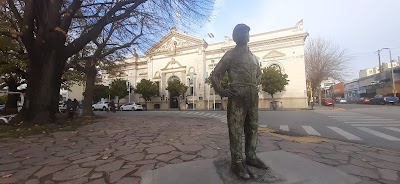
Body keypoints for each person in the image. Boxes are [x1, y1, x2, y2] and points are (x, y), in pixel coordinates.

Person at [210, 24, 268, 179]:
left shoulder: (254, 57)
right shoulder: (230, 55)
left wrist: (253, 87)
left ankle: (251, 156)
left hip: (251, 96)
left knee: (253, 127)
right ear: (235, 37)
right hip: (237, 96)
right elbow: (215, 75)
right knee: (236, 130)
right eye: (241, 32)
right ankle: (236, 161)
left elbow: (259, 75)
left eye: (247, 32)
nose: (245, 34)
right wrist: (222, 91)